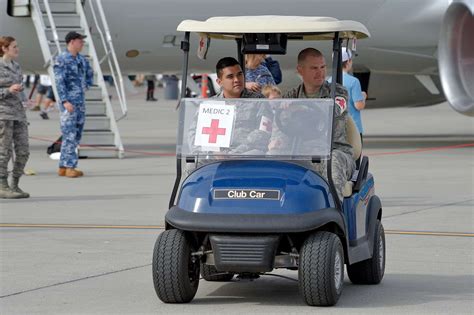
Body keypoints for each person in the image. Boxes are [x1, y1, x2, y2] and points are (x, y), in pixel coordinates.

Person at [271, 48, 355, 201]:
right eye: (314, 68)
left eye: (322, 67)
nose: (320, 72)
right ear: (300, 70)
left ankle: (335, 215)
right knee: (272, 161)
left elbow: (332, 111)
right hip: (301, 152)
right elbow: (280, 124)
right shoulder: (291, 96)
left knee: (333, 163)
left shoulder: (338, 93)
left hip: (334, 150)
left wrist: (298, 108)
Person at [188, 57, 272, 166]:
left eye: (239, 74)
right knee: (192, 165)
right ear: (219, 82)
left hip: (247, 154)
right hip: (215, 156)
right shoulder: (210, 105)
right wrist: (212, 152)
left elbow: (263, 132)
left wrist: (234, 154)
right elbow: (193, 134)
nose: (237, 79)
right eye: (230, 77)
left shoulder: (258, 101)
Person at [54, 31, 93, 178]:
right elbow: (59, 82)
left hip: (80, 103)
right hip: (69, 103)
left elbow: (89, 74)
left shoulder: (81, 60)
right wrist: (65, 101)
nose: (82, 43)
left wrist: (86, 86)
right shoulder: (62, 59)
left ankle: (63, 166)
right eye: (80, 41)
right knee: (69, 134)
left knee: (75, 135)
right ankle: (70, 167)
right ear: (71, 42)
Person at [0, 36, 30, 198]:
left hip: (19, 114)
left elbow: (20, 89)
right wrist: (8, 90)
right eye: (14, 46)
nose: (17, 49)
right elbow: (8, 89)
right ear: (4, 48)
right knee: (4, 152)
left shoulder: (17, 66)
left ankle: (15, 184)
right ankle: (2, 186)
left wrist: (25, 100)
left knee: (24, 151)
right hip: (4, 115)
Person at [340, 48, 367, 142]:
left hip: (336, 128)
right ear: (348, 62)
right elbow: (358, 106)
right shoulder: (353, 81)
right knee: (355, 155)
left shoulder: (329, 81)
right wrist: (363, 96)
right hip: (353, 127)